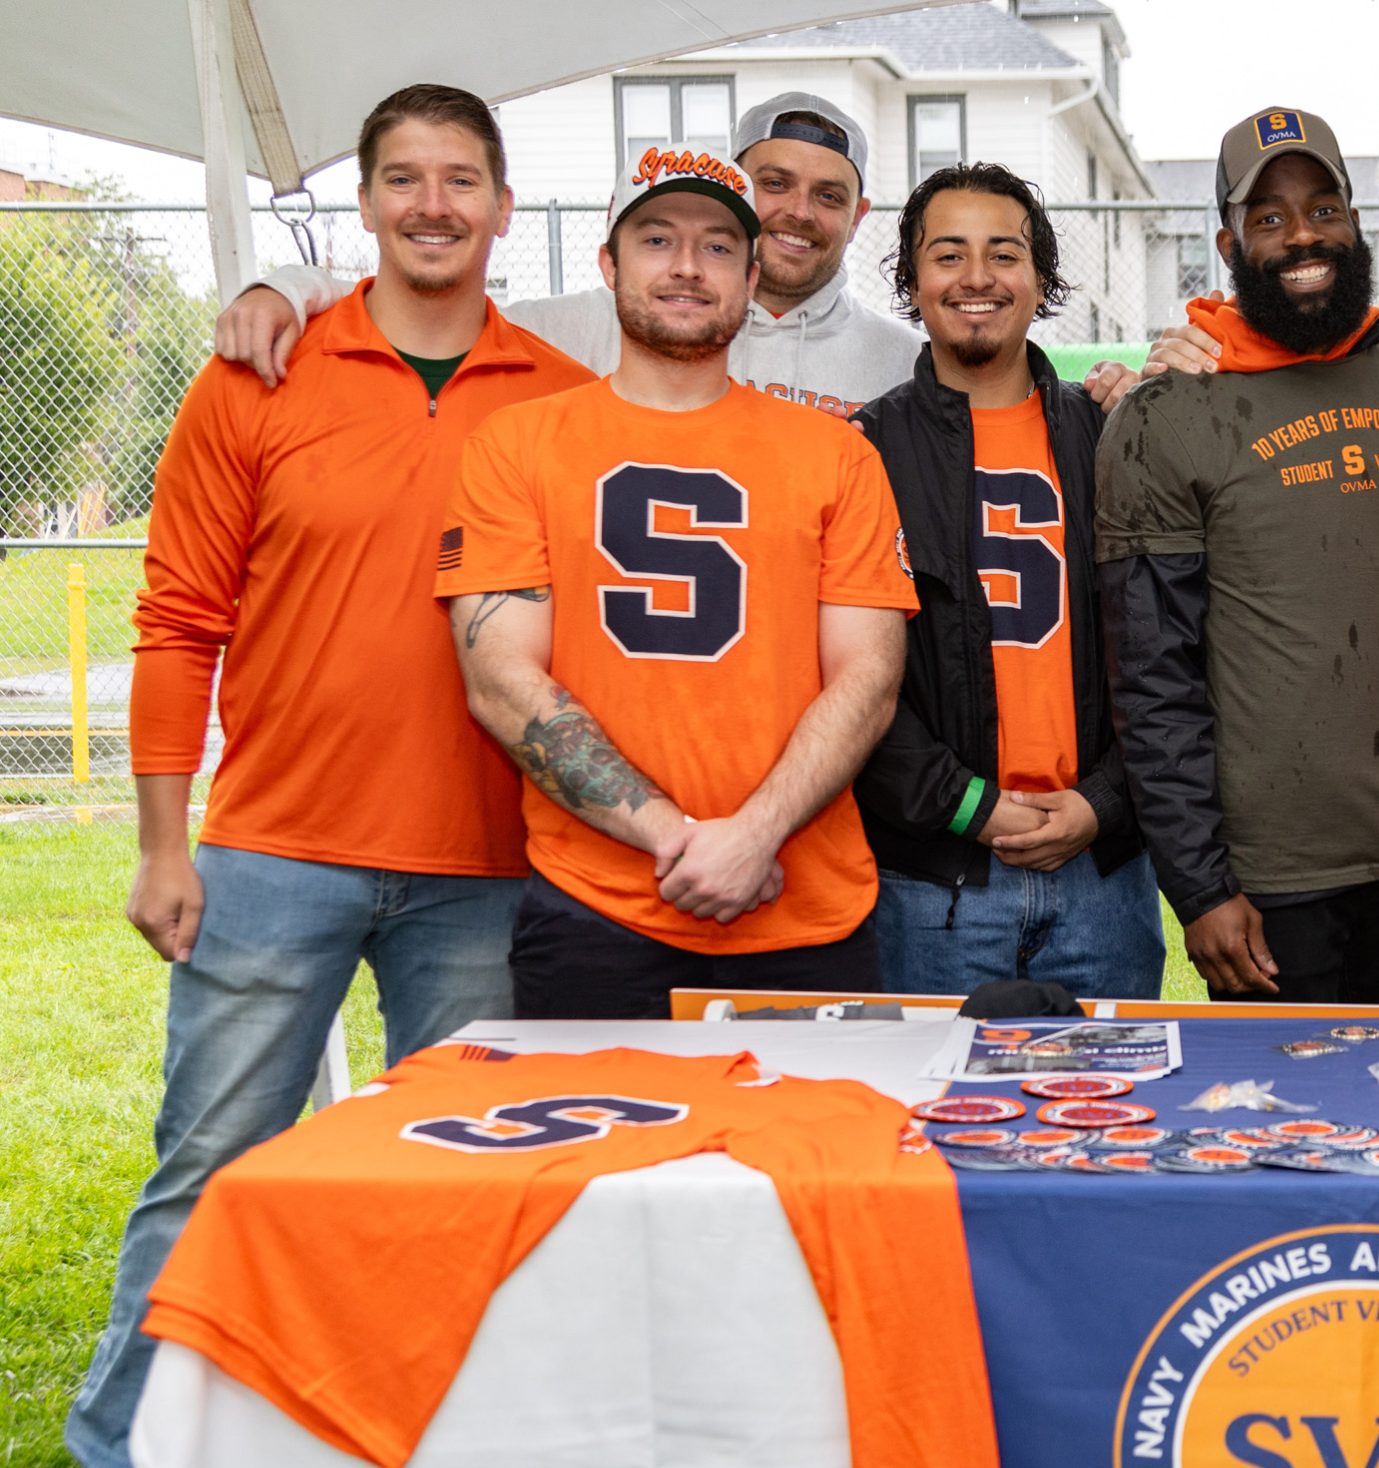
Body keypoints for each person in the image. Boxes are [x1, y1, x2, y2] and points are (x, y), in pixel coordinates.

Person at [6, 86, 593, 1468]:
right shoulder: (260, 373)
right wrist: (161, 838)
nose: (433, 205)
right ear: (368, 204)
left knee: (459, 1176)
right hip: (277, 845)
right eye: (404, 178)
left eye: (462, 179)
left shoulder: (557, 391)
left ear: (503, 208)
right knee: (208, 1164)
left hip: (481, 857)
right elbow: (176, 617)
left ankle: (439, 1445)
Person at [437, 145, 913, 1017]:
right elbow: (501, 681)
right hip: (598, 909)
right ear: (609, 263)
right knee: (596, 1155)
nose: (688, 267)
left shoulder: (837, 451)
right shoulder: (517, 445)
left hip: (807, 914)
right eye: (657, 239)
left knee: (816, 1155)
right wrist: (679, 839)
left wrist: (757, 834)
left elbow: (870, 677)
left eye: (720, 246)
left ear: (752, 270)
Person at [1097, 107, 1379, 1003]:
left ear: (1355, 221)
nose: (1302, 235)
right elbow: (1152, 677)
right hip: (1268, 886)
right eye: (1267, 217)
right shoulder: (1166, 414)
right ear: (1228, 244)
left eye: (1323, 209)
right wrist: (1198, 885)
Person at [852, 163, 1161, 998]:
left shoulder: (1110, 436)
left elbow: (1169, 652)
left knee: (1118, 1117)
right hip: (935, 885)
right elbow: (844, 676)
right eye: (948, 255)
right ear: (912, 281)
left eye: (1005, 253)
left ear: (1041, 278)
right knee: (932, 1123)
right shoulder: (862, 452)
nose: (978, 277)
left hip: (1103, 871)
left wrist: (1105, 800)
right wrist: (967, 807)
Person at [213, 93, 920, 415]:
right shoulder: (576, 331)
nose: (799, 211)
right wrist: (294, 285)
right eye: (773, 184)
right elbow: (431, 308)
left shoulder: (903, 363)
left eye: (829, 196)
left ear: (859, 216)